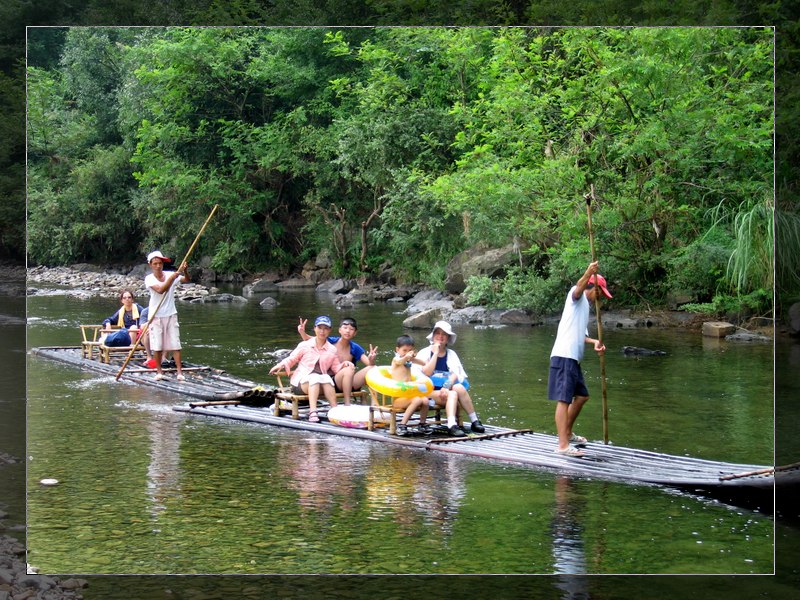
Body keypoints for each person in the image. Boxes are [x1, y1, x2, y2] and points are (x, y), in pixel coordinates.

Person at [548, 261, 610, 457]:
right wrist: (588, 272)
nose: (600, 298)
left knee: (582, 396)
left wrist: (594, 342)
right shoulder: (576, 297)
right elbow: (578, 288)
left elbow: (581, 334)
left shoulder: (586, 308)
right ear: (593, 287)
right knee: (564, 399)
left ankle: (567, 432)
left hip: (573, 358)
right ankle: (563, 446)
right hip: (564, 355)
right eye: (600, 292)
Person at [270, 315, 353, 423]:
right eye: (319, 328)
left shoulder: (332, 349)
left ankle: (335, 411)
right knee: (314, 377)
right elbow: (292, 358)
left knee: (326, 378)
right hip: (300, 384)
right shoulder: (305, 345)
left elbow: (336, 368)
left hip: (320, 383)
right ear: (314, 329)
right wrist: (280, 365)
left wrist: (344, 364)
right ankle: (313, 412)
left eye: (325, 328)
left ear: (329, 330)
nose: (322, 331)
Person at [416, 320, 485, 437]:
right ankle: (451, 425)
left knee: (458, 387)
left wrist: (446, 386)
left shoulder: (451, 354)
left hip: (444, 389)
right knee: (452, 394)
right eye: (437, 333)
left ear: (448, 338)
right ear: (433, 336)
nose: (440, 337)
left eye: (444, 334)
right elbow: (426, 372)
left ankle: (474, 420)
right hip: (427, 391)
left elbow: (456, 374)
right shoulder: (425, 353)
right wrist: (436, 353)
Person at [297, 316, 377, 404]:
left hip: (349, 382)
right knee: (347, 370)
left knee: (373, 368)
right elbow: (311, 339)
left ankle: (375, 404)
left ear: (355, 333)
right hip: (331, 381)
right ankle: (347, 403)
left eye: (351, 329)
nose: (347, 331)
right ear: (339, 330)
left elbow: (370, 364)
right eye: (345, 328)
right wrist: (302, 332)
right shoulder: (330, 341)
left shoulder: (355, 347)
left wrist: (371, 358)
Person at [144, 250, 189, 381]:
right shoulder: (149, 279)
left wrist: (184, 271)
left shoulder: (170, 274)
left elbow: (186, 279)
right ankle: (159, 372)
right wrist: (173, 277)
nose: (158, 266)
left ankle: (180, 372)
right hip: (156, 315)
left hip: (171, 313)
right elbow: (161, 289)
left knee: (175, 344)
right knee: (157, 345)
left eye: (160, 263)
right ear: (150, 265)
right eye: (155, 263)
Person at [390, 335, 435, 436]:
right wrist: (406, 357)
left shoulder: (409, 360)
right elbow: (400, 361)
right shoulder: (396, 360)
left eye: (409, 350)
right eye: (404, 350)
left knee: (425, 400)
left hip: (409, 394)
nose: (406, 353)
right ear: (397, 350)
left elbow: (424, 363)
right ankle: (402, 425)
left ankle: (422, 424)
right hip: (398, 399)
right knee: (417, 400)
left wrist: (414, 358)